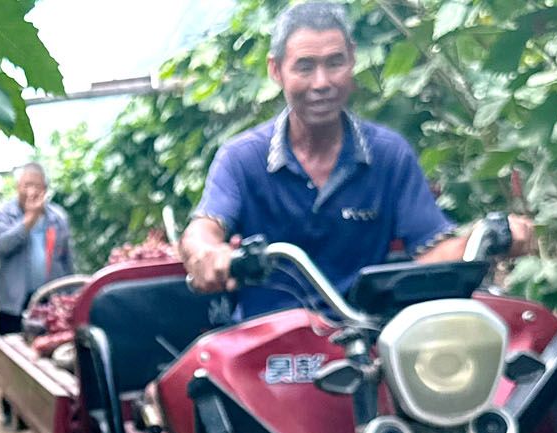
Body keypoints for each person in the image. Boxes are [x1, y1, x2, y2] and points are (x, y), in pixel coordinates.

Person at [179, 1, 534, 317]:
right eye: (305, 67)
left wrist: (488, 236)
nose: (322, 82)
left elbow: (431, 253)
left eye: (334, 63)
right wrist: (209, 253)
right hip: (266, 347)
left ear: (352, 58)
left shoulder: (388, 155)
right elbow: (203, 229)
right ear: (276, 70)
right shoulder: (241, 158)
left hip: (364, 340)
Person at [0, 162, 78, 335]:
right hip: (14, 304)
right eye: (27, 185)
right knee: (13, 348)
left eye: (37, 186)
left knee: (47, 346)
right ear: (18, 187)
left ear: (45, 189)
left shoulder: (58, 217)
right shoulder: (4, 213)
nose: (32, 192)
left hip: (50, 303)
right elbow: (1, 246)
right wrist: (29, 220)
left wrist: (71, 296)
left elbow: (67, 260)